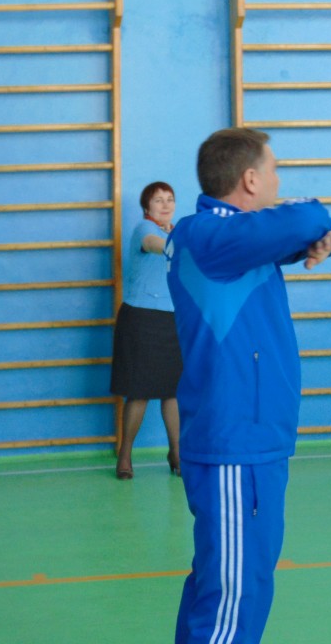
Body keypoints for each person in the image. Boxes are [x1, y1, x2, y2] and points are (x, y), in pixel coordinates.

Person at [166, 128, 331, 643]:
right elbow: (307, 218)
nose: (278, 181)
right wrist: (321, 223)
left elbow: (313, 228)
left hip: (250, 442)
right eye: (273, 170)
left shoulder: (234, 242)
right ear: (249, 179)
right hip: (235, 443)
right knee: (233, 599)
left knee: (225, 586)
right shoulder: (209, 236)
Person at [110, 181, 184, 480]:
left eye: (170, 199)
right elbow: (154, 244)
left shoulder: (178, 232)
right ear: (146, 207)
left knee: (173, 392)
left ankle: (176, 453)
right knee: (139, 393)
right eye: (158, 200)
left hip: (173, 320)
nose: (165, 205)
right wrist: (176, 246)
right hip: (141, 319)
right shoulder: (145, 228)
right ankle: (125, 455)